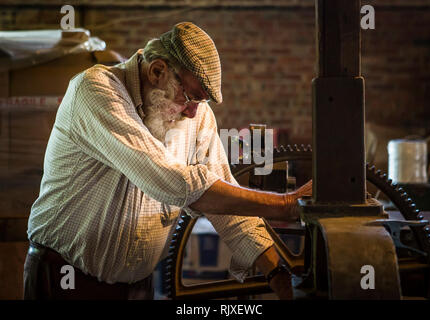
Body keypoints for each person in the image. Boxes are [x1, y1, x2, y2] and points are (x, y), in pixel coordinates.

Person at [24, 22, 312, 300]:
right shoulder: (96, 92)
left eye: (201, 103)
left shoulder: (194, 118)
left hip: (138, 287)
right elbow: (168, 181)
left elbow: (228, 209)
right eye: (189, 97)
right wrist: (286, 205)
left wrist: (280, 276)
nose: (192, 113)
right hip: (67, 282)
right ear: (157, 70)